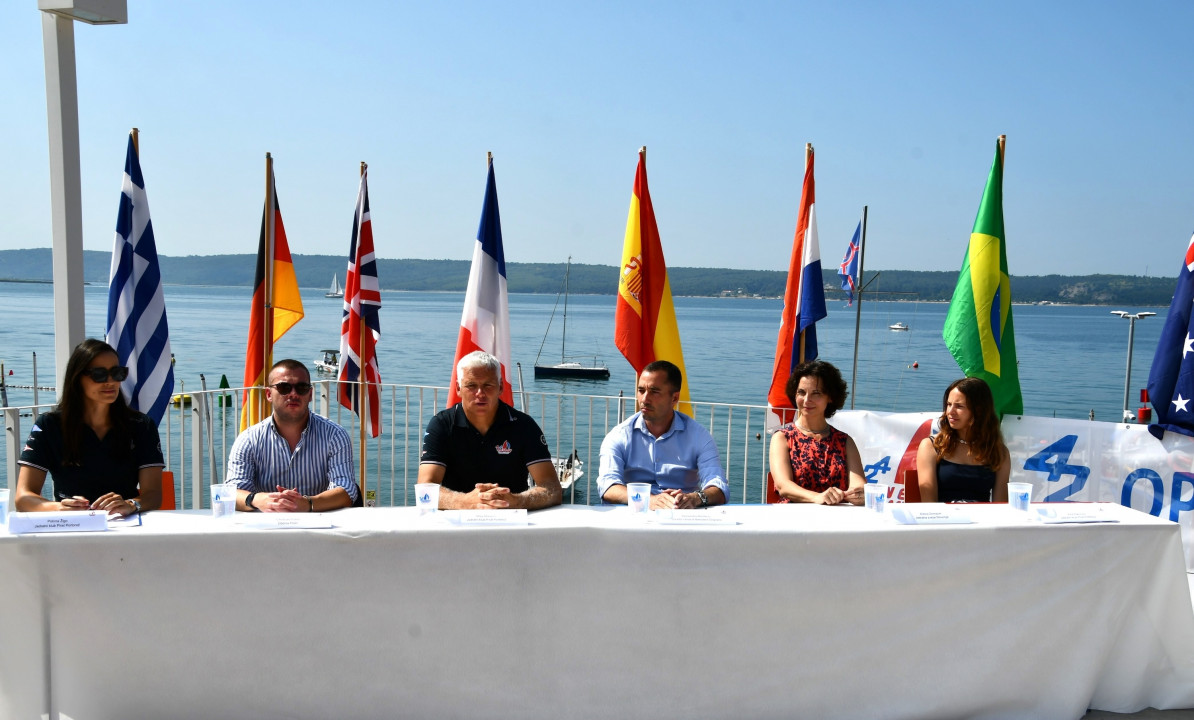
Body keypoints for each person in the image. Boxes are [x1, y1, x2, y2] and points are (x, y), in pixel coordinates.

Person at [16, 338, 163, 515]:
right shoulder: (49, 426)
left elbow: (153, 494)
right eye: (99, 374)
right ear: (77, 378)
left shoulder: (141, 425)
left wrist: (131, 504)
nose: (111, 381)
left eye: (117, 373)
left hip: (124, 524)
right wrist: (58, 507)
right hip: (72, 524)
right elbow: (23, 498)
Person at [419, 351, 562, 509]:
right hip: (456, 519)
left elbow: (552, 489)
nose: (480, 393)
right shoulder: (441, 425)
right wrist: (465, 502)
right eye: (471, 385)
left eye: (488, 385)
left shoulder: (523, 425)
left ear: (500, 387)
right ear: (458, 388)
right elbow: (424, 490)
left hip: (512, 517)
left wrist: (516, 500)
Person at [227, 359, 359, 511]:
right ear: (269, 394)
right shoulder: (249, 439)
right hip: (266, 523)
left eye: (301, 388)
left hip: (319, 522)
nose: (293, 394)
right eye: (284, 388)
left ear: (310, 394)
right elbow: (231, 492)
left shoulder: (334, 435)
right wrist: (258, 499)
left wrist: (307, 503)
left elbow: (347, 491)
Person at [597, 360, 728, 508]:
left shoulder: (699, 436)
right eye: (641, 390)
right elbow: (607, 486)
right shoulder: (619, 435)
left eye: (654, 392)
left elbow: (719, 487)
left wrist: (694, 498)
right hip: (635, 513)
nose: (644, 399)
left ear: (674, 398)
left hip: (681, 513)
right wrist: (648, 500)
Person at [769, 360, 866, 505]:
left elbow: (859, 487)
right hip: (793, 516)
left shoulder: (845, 441)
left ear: (830, 397)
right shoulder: (782, 438)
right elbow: (783, 486)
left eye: (816, 393)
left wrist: (858, 495)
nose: (807, 400)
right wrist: (817, 497)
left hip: (836, 516)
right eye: (801, 392)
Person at [916, 377, 1010, 503]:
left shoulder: (999, 452)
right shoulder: (931, 446)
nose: (950, 412)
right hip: (942, 515)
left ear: (979, 411)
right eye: (949, 404)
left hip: (982, 516)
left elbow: (1000, 506)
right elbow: (929, 504)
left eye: (959, 406)